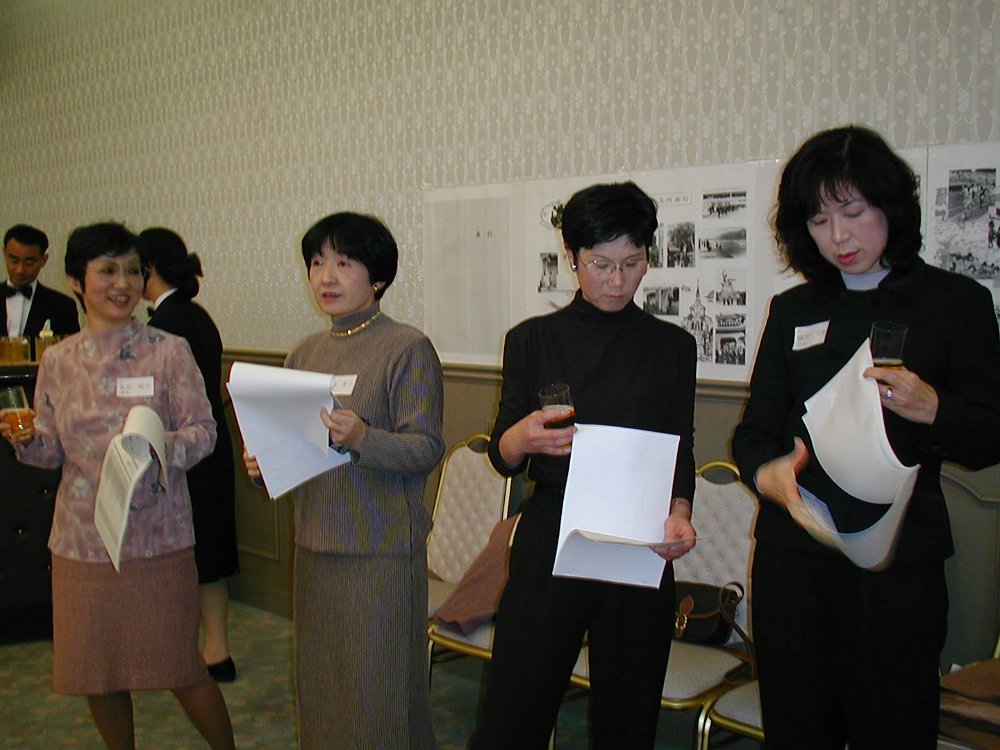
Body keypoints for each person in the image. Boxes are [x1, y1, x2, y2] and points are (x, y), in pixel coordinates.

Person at [732, 125, 1000, 750]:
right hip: (794, 554)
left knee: (893, 725)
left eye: (853, 213)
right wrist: (766, 473)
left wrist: (935, 409)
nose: (839, 237)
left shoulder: (954, 303)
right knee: (797, 725)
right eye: (819, 221)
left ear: (891, 207)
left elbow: (990, 436)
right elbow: (755, 432)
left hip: (896, 560)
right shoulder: (794, 310)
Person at [469, 182, 698, 749]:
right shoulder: (532, 340)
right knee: (515, 709)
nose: (617, 280)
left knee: (628, 716)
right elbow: (501, 456)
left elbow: (679, 447)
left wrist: (680, 511)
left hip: (640, 536)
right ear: (571, 257)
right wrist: (521, 438)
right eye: (600, 264)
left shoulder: (671, 347)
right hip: (552, 529)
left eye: (632, 263)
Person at [0, 222, 237, 750]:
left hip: (158, 538)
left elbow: (205, 433)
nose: (123, 283)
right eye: (107, 270)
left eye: (132, 270)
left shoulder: (169, 351)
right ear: (76, 281)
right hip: (82, 542)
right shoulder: (58, 361)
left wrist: (156, 446)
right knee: (96, 672)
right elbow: (51, 451)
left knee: (180, 667)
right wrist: (25, 440)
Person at [242, 212, 444, 749]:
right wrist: (264, 465)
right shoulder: (304, 353)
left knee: (380, 692)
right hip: (315, 545)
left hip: (380, 550)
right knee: (323, 686)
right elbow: (293, 451)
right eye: (316, 262)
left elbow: (426, 448)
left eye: (344, 262)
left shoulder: (407, 347)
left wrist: (363, 438)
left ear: (378, 276)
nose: (326, 276)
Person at [139, 227, 239, 683]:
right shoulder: (198, 315)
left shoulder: (162, 325)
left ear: (148, 268)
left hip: (177, 449)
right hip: (211, 446)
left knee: (182, 553)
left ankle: (177, 652)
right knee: (210, 551)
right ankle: (217, 650)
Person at [2, 224, 80, 344]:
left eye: (29, 262)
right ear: (4, 253)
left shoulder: (62, 306)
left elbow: (71, 351)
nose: (20, 270)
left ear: (44, 260)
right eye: (14, 260)